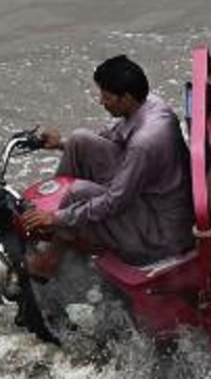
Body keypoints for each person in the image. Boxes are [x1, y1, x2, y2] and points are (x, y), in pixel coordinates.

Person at [21, 55, 194, 271]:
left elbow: (114, 202)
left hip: (162, 232)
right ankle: (58, 230)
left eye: (106, 96)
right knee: (79, 141)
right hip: (151, 194)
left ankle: (50, 260)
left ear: (126, 98)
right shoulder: (150, 103)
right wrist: (60, 144)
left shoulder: (144, 142)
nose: (101, 101)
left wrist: (55, 218)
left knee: (78, 192)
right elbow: (113, 135)